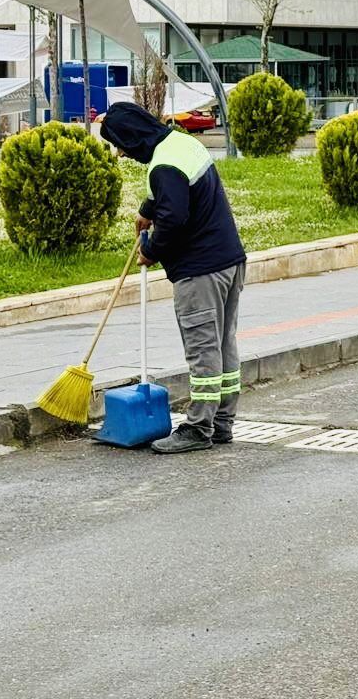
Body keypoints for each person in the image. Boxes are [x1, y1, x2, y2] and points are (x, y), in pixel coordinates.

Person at [100, 102, 247, 453]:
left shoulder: (163, 165)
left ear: (132, 138)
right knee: (224, 344)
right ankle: (221, 423)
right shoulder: (180, 144)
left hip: (200, 272)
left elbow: (175, 217)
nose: (121, 153)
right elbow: (170, 195)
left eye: (120, 144)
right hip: (229, 260)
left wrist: (151, 249)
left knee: (203, 349)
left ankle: (198, 429)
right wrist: (146, 212)